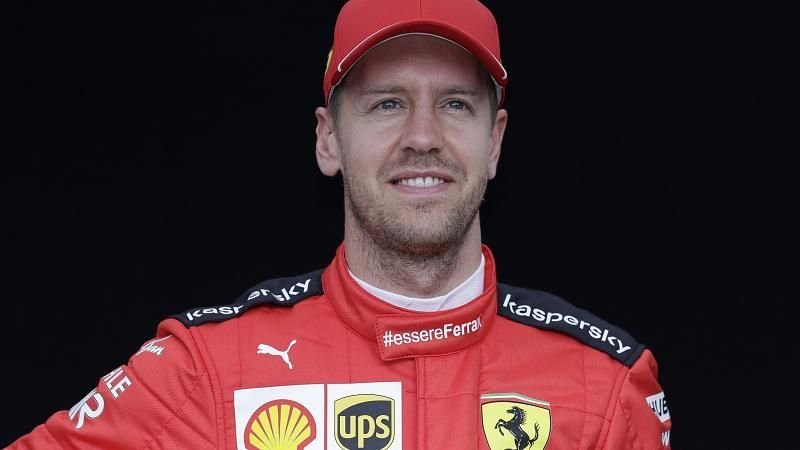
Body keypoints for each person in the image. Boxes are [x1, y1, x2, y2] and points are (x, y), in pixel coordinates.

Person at [7, 0, 672, 449]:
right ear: (328, 140)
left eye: (455, 104)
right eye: (387, 104)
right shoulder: (207, 371)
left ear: (494, 142)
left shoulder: (604, 385)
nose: (422, 136)